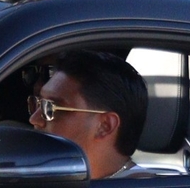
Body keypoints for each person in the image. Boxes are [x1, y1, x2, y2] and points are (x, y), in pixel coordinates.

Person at [27, 49, 180, 179]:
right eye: (38, 104)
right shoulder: (55, 184)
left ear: (105, 126)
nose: (34, 119)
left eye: (51, 108)